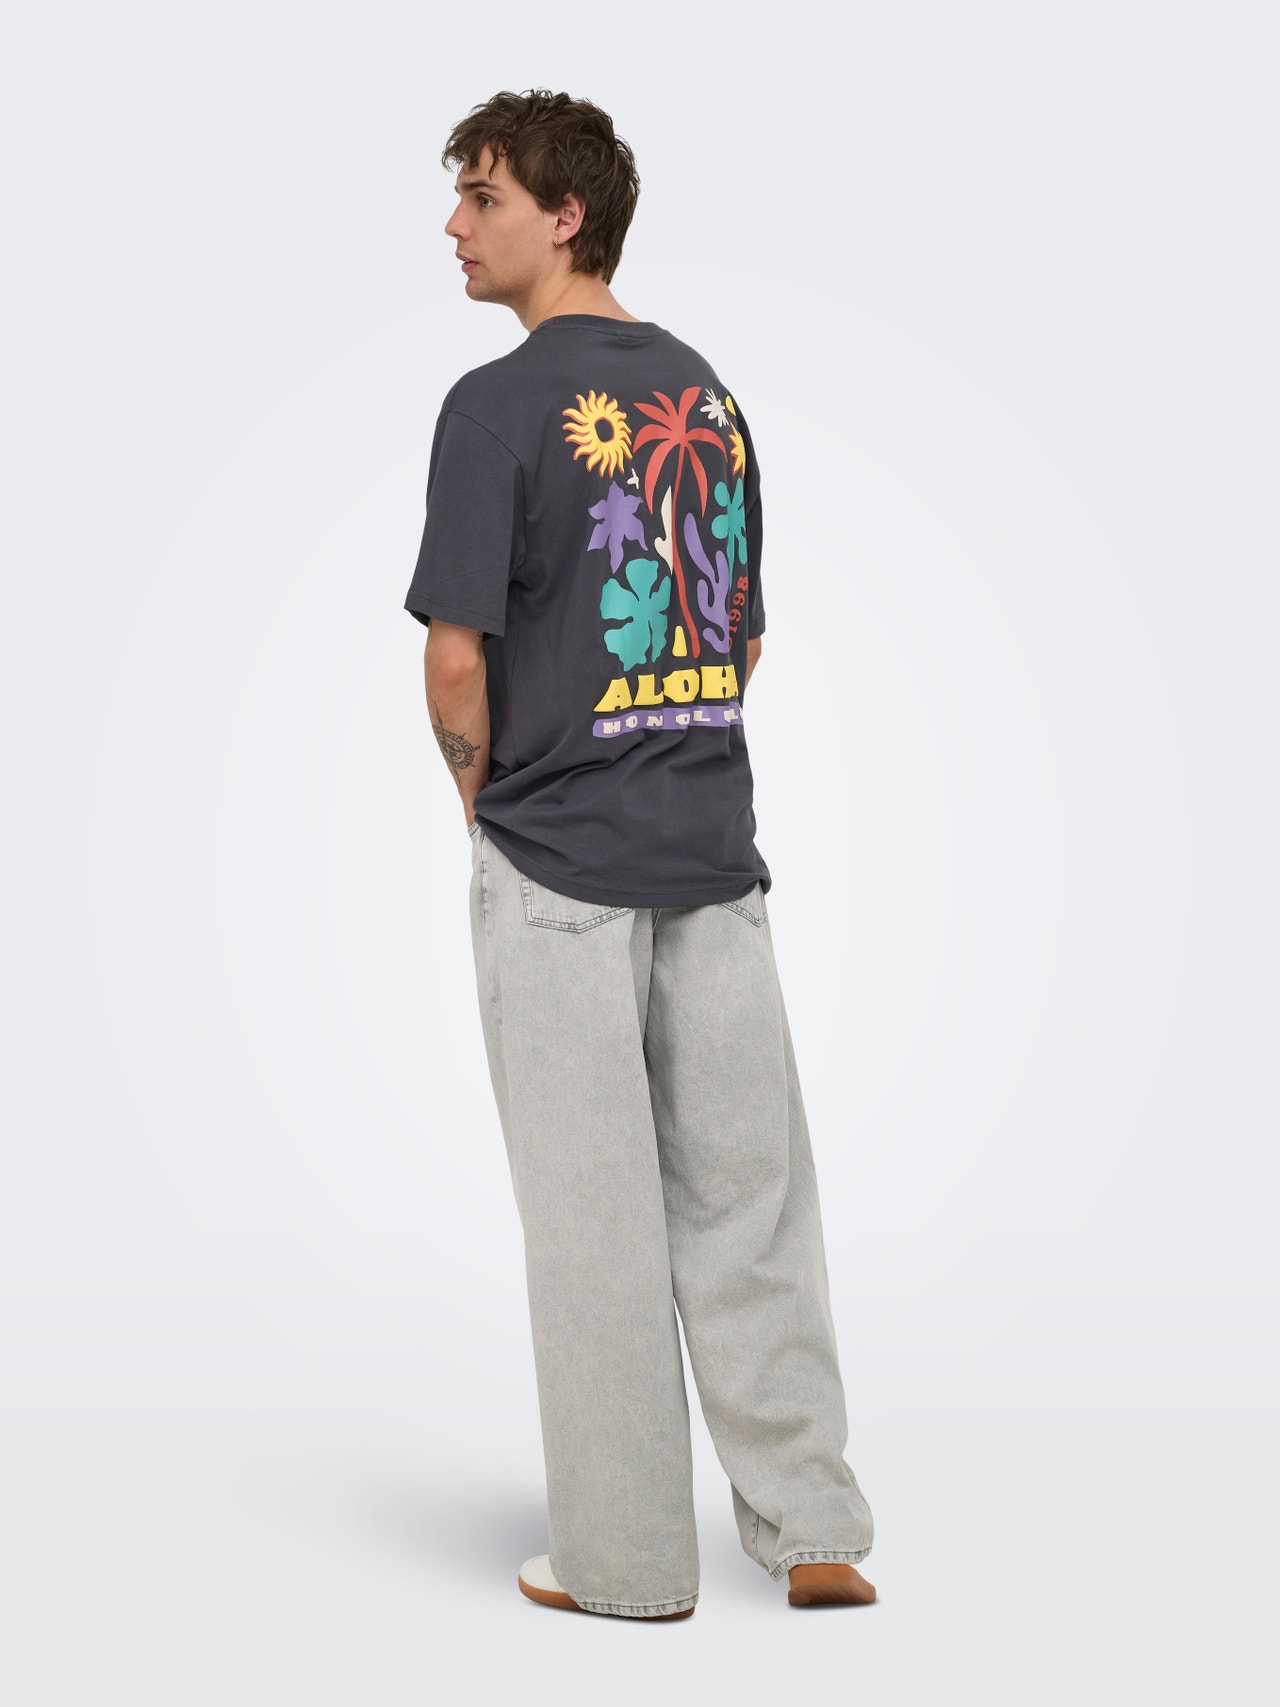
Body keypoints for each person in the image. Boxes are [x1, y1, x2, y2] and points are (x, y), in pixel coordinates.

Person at [403, 88, 876, 1619]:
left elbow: (455, 661)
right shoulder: (708, 395)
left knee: (594, 1228)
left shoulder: (494, 407)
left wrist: (484, 802)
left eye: (483, 197)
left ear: (567, 216)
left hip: (557, 865)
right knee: (752, 1204)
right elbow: (742, 633)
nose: (454, 226)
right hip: (715, 859)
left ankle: (624, 1566)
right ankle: (814, 1528)